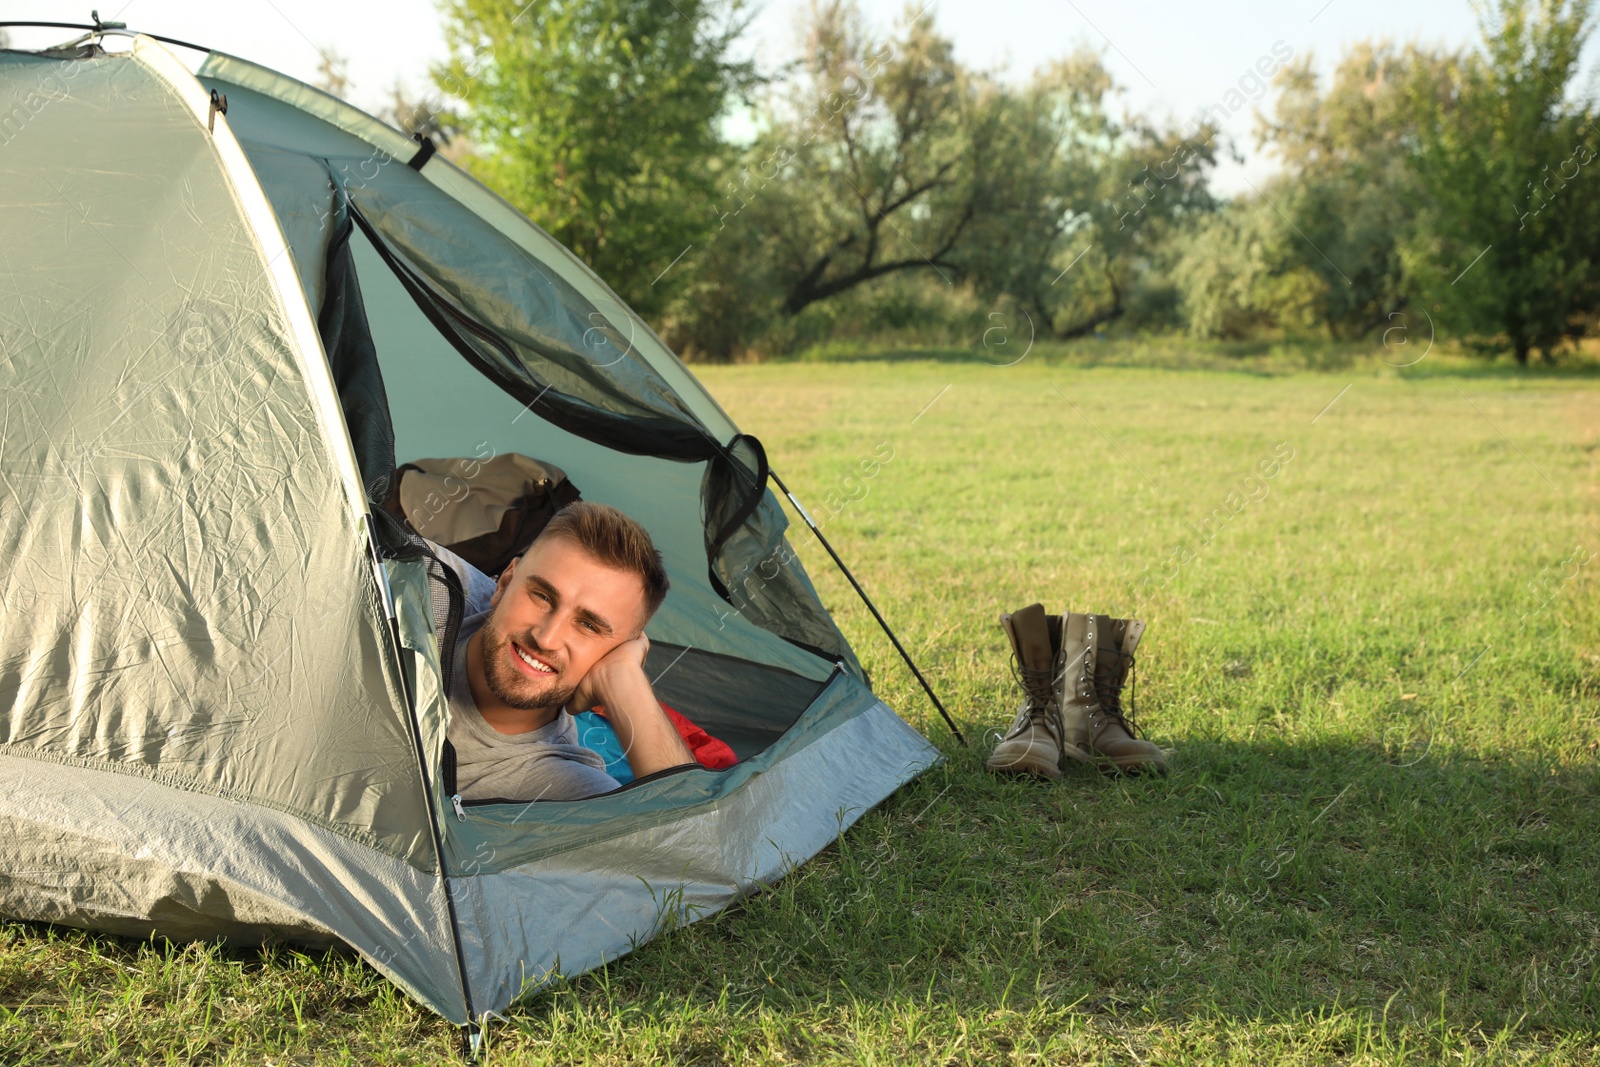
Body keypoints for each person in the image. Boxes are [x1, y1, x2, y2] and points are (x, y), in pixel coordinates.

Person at [437, 501, 696, 803]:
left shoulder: (563, 791)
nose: (546, 638)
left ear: (617, 651)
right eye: (543, 596)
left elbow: (692, 837)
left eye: (588, 625)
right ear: (505, 582)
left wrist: (626, 681)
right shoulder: (419, 581)